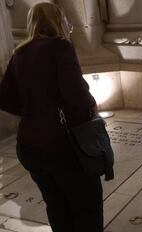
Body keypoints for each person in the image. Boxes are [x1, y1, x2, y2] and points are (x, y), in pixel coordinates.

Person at [0, 3, 108, 232]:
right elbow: (75, 94)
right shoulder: (60, 48)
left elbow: (6, 99)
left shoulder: (19, 52)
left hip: (29, 148)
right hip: (62, 147)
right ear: (57, 21)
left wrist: (35, 110)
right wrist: (92, 105)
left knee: (57, 206)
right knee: (87, 208)